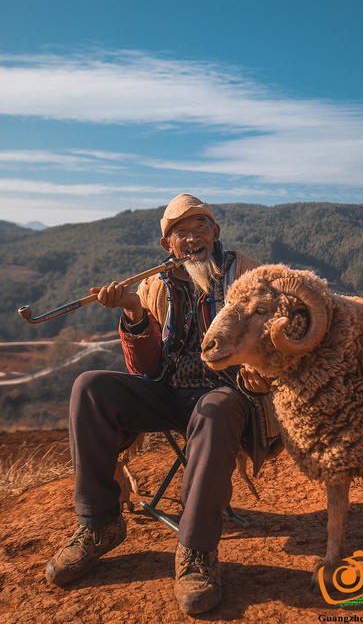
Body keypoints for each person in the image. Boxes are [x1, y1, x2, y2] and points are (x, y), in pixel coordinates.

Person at [45, 194, 279, 616]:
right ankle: (99, 523)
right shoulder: (155, 284)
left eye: (200, 228)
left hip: (224, 394)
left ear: (216, 234)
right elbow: (148, 370)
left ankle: (196, 551)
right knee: (89, 386)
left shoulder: (245, 274)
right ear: (166, 245)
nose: (192, 239)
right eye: (180, 233)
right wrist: (134, 311)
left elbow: (271, 339)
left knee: (217, 408)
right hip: (168, 391)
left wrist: (262, 370)